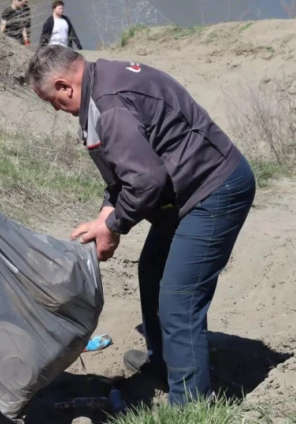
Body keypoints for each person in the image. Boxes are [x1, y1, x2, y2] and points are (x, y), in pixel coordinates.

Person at [24, 46, 256, 406]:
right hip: (182, 193)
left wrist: (114, 225)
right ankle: (165, 364)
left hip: (213, 190)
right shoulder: (101, 83)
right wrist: (106, 213)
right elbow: (125, 171)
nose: (56, 109)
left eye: (53, 101)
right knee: (152, 272)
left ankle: (191, 406)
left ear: (64, 85)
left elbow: (146, 179)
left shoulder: (109, 104)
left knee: (179, 299)